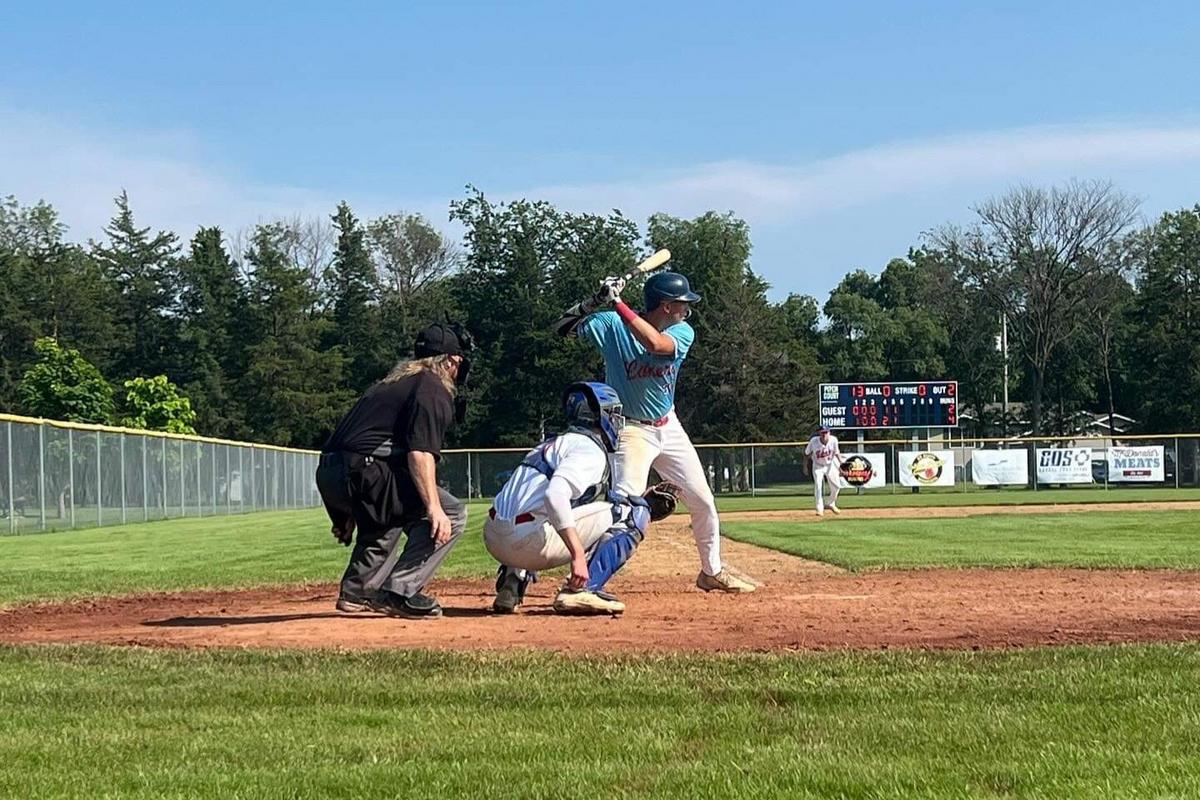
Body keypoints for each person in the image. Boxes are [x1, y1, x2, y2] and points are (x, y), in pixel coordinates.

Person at [553, 271, 755, 593]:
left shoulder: (681, 331)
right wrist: (596, 300)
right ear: (665, 306)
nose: (687, 309)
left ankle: (711, 572)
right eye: (681, 304)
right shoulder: (611, 325)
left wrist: (618, 303)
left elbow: (655, 344)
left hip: (668, 425)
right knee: (624, 510)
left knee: (703, 501)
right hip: (631, 430)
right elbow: (562, 328)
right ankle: (585, 581)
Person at [315, 321, 473, 619]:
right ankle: (399, 592)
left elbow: (345, 446)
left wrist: (342, 514)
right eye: (458, 362)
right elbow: (420, 453)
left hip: (333, 474)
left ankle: (358, 591)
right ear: (450, 361)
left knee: (389, 512)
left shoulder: (390, 383)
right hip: (364, 473)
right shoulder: (432, 386)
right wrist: (434, 508)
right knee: (450, 513)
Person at [485, 381, 679, 615]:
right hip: (527, 543)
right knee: (632, 513)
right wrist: (577, 555)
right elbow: (555, 495)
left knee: (539, 510)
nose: (617, 420)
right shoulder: (589, 449)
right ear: (599, 416)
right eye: (612, 412)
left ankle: (513, 580)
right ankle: (583, 589)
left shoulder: (551, 444)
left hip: (493, 538)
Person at [805, 426, 844, 516]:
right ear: (819, 433)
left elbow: (837, 453)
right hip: (818, 466)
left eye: (826, 432)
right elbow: (806, 454)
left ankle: (830, 503)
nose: (824, 434)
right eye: (822, 432)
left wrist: (841, 464)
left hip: (830, 464)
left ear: (829, 433)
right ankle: (820, 509)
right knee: (818, 486)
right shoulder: (814, 441)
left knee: (837, 486)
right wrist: (805, 466)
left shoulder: (833, 440)